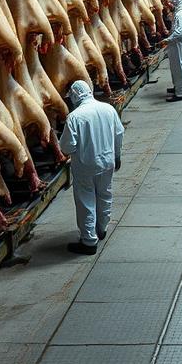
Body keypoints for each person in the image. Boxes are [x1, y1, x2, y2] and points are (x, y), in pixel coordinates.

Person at [59, 80, 124, 255]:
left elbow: (66, 147)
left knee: (86, 201)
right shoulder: (108, 109)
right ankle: (101, 228)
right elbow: (119, 133)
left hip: (86, 166)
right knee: (105, 194)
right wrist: (117, 155)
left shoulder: (74, 117)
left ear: (74, 95)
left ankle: (88, 241)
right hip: (108, 162)